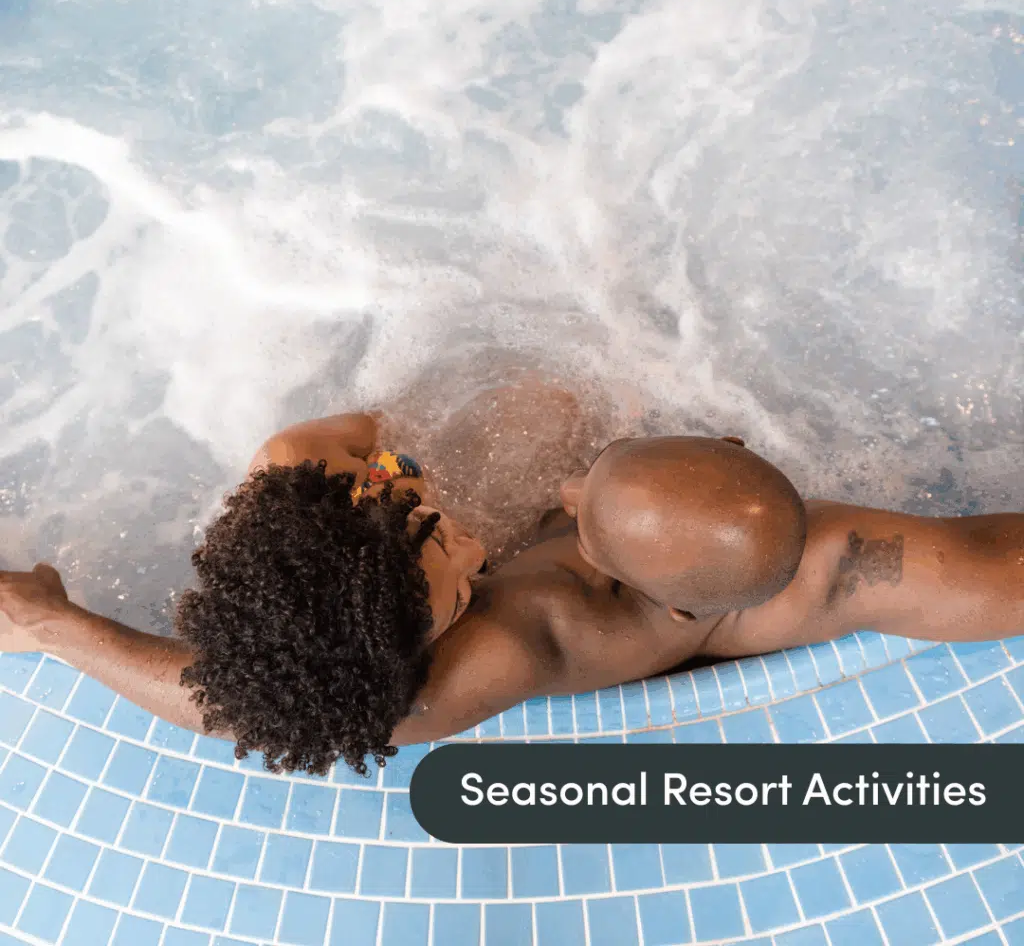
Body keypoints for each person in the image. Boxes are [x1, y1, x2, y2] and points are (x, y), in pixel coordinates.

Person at [2, 426, 1022, 777]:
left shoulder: (515, 628)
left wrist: (56, 624)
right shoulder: (508, 647)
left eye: (582, 508)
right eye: (441, 556)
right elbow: (245, 695)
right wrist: (58, 627)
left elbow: (237, 695)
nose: (467, 533)